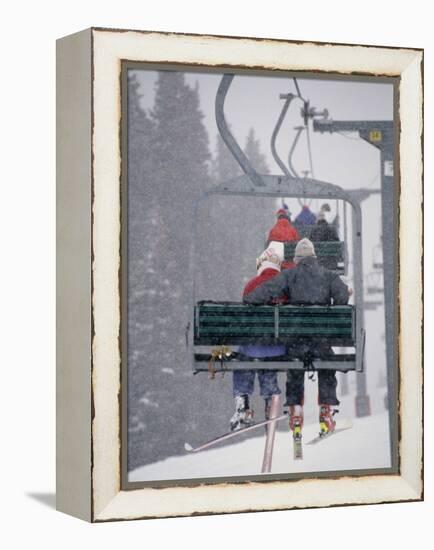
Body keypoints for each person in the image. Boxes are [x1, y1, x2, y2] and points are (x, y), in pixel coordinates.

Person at [243, 238, 351, 436]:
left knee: (295, 367)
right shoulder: (328, 276)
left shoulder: (289, 275)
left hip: (296, 341)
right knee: (327, 367)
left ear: (297, 259)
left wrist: (250, 298)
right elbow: (343, 296)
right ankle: (326, 408)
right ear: (314, 256)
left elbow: (266, 292)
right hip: (321, 341)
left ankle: (295, 409)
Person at [230, 247, 286, 431]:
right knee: (268, 361)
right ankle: (271, 402)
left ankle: (242, 403)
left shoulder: (251, 285)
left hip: (252, 347)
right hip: (278, 348)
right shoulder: (285, 285)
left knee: (244, 359)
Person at [310, 205, 340, 270]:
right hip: (331, 264)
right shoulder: (332, 230)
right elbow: (337, 246)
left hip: (317, 264)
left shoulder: (314, 231)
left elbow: (310, 246)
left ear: (317, 219)